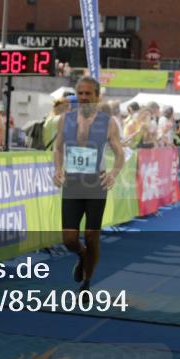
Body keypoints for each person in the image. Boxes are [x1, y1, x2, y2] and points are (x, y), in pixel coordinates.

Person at [53, 76, 123, 292]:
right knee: (69, 239)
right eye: (80, 93)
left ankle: (87, 281)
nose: (83, 98)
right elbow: (58, 148)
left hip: (96, 183)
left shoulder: (108, 122)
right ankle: (83, 256)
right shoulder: (65, 119)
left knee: (92, 236)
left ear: (96, 96)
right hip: (73, 182)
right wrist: (58, 169)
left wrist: (113, 173)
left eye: (88, 94)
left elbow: (120, 153)